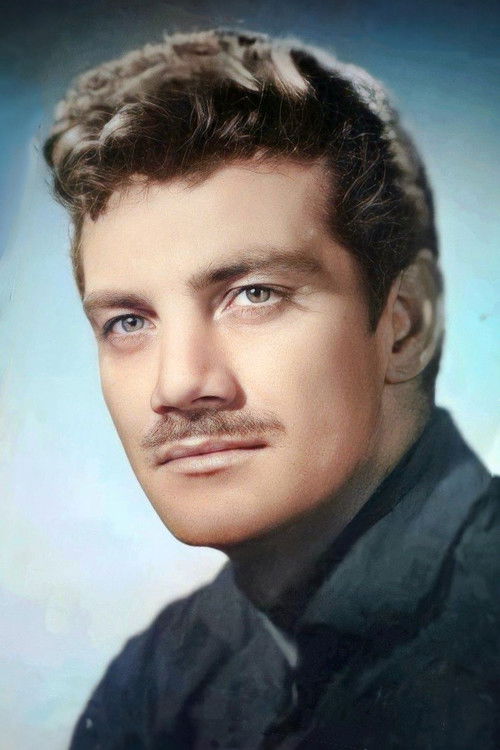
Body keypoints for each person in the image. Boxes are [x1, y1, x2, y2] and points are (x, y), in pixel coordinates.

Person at [43, 28, 499, 749]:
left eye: (254, 294)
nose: (178, 384)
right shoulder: (158, 677)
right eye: (129, 321)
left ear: (404, 324)